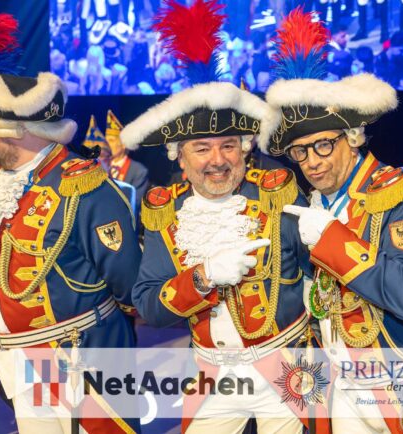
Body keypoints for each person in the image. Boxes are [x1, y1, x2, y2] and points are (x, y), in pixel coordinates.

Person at [264, 8, 403, 434]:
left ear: (352, 138)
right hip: (340, 386)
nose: (311, 161)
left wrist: (333, 241)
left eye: (323, 145)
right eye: (300, 152)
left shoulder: (397, 192)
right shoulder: (312, 203)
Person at [123, 2, 321, 432]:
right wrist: (202, 278)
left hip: (288, 365)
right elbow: (149, 305)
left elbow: (319, 279)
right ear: (180, 157)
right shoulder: (164, 211)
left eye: (228, 145)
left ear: (245, 149)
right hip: (212, 373)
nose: (217, 160)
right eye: (202, 149)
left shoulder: (277, 194)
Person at [0, 69, 141, 433]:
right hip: (15, 364)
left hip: (74, 362)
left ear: (14, 127)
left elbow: (128, 284)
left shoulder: (82, 187)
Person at [104, 109, 149, 205]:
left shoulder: (138, 171)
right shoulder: (101, 166)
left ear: (123, 144)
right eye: (105, 141)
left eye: (111, 140)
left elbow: (135, 202)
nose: (106, 144)